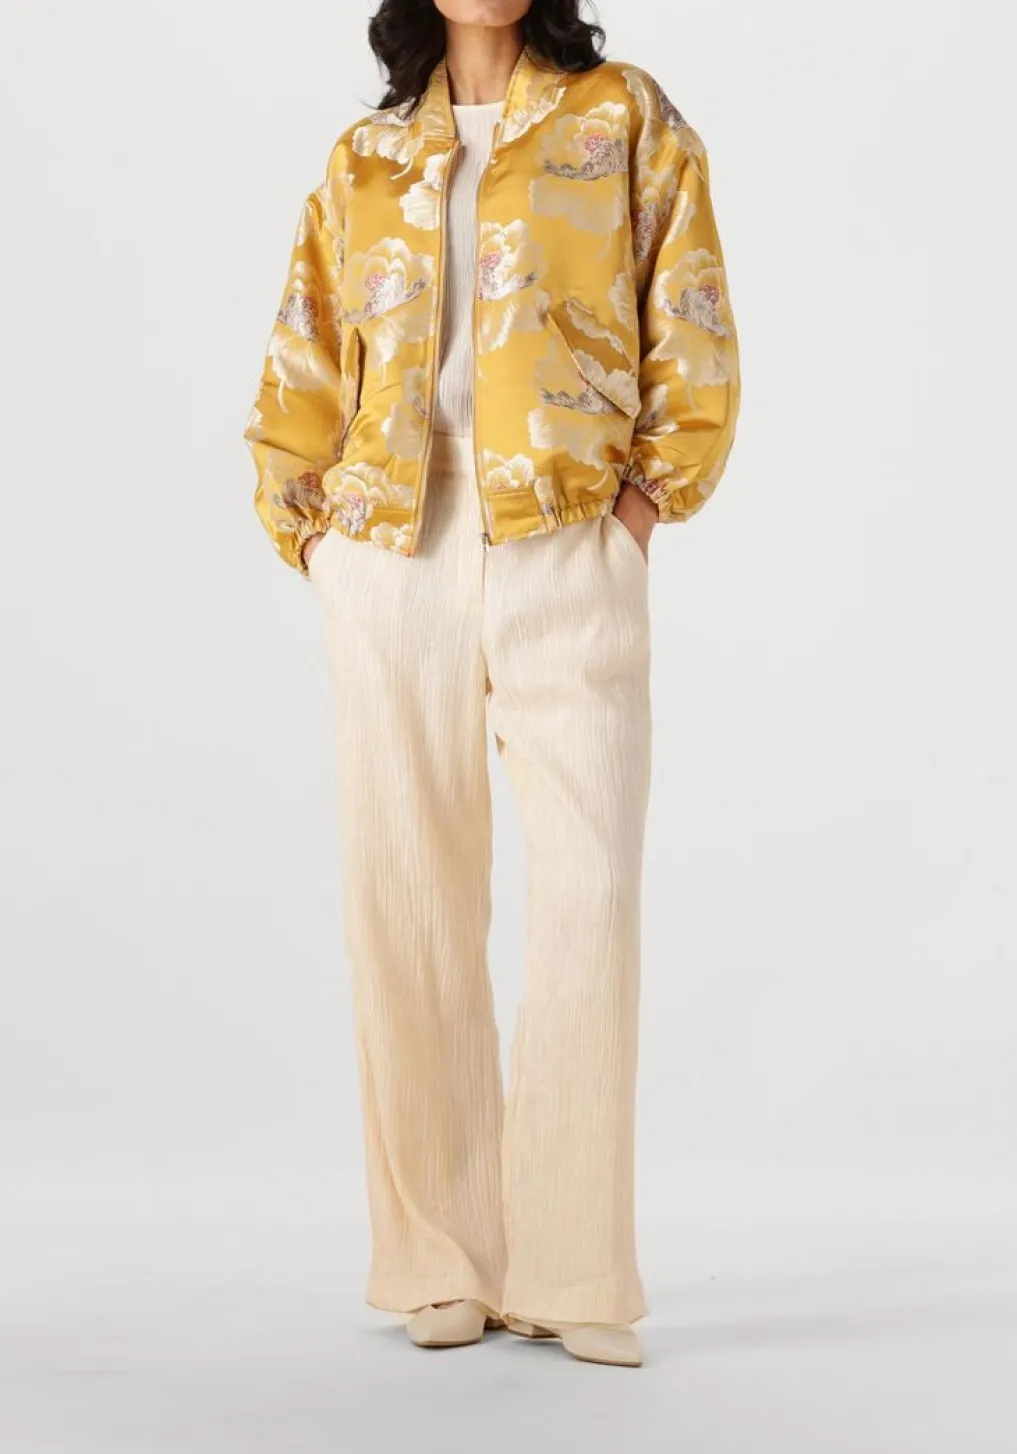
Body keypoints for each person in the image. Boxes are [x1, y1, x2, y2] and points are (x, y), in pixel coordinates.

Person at [243, 0, 739, 1368]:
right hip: (391, 548)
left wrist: (640, 512)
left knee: (590, 896)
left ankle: (574, 1268)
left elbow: (691, 319)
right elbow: (300, 358)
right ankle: (440, 1255)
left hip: (567, 537)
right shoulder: (365, 157)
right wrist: (317, 540)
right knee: (407, 898)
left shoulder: (623, 116)